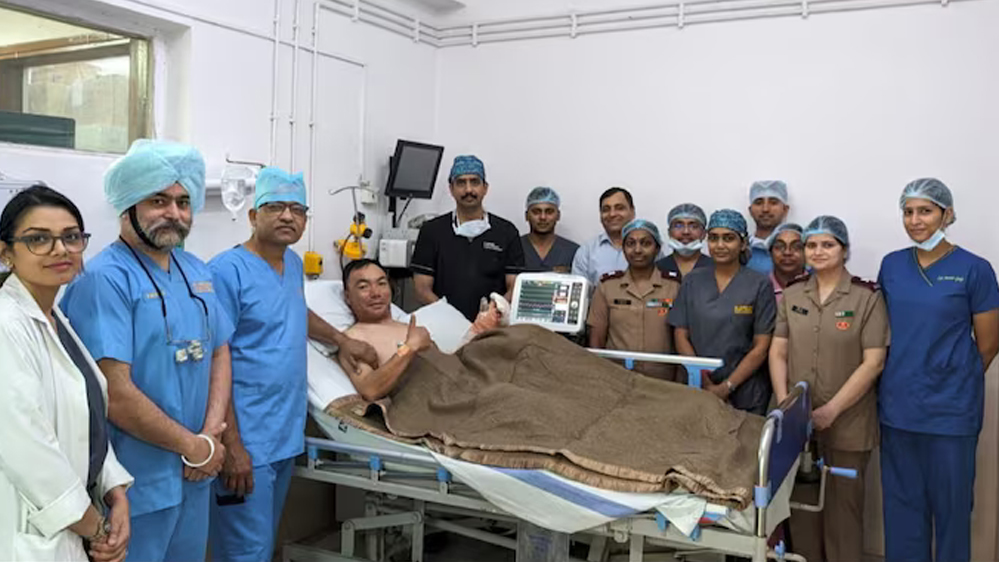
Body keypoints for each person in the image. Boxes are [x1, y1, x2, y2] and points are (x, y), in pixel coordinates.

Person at [60, 140, 235, 562]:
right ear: (128, 206)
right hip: (133, 485)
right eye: (158, 200)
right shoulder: (103, 280)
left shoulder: (196, 271)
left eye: (183, 202)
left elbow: (219, 351)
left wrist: (210, 436)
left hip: (195, 474)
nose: (174, 213)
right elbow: (114, 393)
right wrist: (192, 446)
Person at [206, 168, 376, 562]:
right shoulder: (225, 272)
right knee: (244, 551)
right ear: (253, 216)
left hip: (284, 433)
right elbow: (215, 360)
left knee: (261, 545)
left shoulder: (294, 265)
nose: (288, 216)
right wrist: (231, 445)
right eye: (276, 207)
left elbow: (296, 311)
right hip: (246, 437)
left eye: (297, 209)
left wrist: (342, 340)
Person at [0, 186, 133, 562]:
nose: (60, 249)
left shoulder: (54, 317)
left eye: (71, 237)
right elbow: (28, 450)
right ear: (6, 252)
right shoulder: (6, 325)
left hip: (79, 520)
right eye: (38, 239)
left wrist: (115, 491)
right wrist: (98, 529)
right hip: (30, 530)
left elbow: (86, 420)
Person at [877, 178, 999, 562]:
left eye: (925, 211)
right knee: (902, 510)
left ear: (947, 214)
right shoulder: (892, 265)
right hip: (898, 407)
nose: (915, 220)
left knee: (951, 511)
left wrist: (953, 379)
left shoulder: (975, 269)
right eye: (908, 212)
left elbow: (989, 344)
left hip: (951, 413)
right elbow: (885, 331)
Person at [769, 216, 889, 562]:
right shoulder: (793, 294)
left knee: (843, 513)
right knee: (801, 509)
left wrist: (832, 410)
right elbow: (778, 352)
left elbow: (874, 362)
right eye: (811, 245)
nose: (818, 251)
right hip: (798, 422)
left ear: (844, 250)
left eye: (828, 244)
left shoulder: (866, 298)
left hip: (848, 422)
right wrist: (786, 406)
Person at [336, 259, 502, 401]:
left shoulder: (412, 329)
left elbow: (447, 365)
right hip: (435, 402)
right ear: (348, 297)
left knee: (515, 338)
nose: (376, 293)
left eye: (381, 283)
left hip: (466, 386)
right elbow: (369, 389)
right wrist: (409, 348)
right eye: (363, 287)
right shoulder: (353, 341)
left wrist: (477, 333)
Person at [669, 209, 776, 414]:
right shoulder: (692, 281)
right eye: (714, 238)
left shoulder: (759, 284)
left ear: (743, 243)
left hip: (745, 391)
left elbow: (761, 346)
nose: (720, 245)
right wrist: (703, 381)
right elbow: (680, 335)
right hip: (698, 386)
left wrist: (727, 387)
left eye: (728, 238)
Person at [412, 155, 524, 322]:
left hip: (493, 325)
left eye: (474, 182)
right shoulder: (432, 231)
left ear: (485, 188)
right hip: (443, 324)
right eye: (461, 183)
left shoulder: (506, 232)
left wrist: (491, 315)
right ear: (451, 189)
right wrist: (451, 318)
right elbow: (422, 290)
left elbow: (515, 288)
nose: (468, 190)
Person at [587, 219, 682, 381]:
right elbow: (596, 339)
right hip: (616, 377)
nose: (637, 250)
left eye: (646, 243)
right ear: (623, 248)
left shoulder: (674, 286)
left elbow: (681, 338)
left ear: (657, 248)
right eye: (631, 244)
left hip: (663, 381)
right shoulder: (607, 286)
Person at [571, 187, 637, 288]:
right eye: (606, 210)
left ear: (632, 212)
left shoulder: (651, 248)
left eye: (619, 208)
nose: (612, 214)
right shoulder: (587, 251)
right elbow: (579, 292)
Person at [520, 187, 579, 273]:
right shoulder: (514, 248)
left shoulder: (573, 252)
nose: (543, 217)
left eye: (549, 212)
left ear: (558, 215)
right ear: (526, 216)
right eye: (536, 212)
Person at [656, 203, 712, 278]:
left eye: (694, 226)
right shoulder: (656, 268)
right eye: (678, 226)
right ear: (669, 233)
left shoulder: (715, 267)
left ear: (704, 234)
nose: (686, 232)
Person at [746, 180, 790, 273]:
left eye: (773, 202)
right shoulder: (741, 250)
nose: (765, 209)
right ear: (750, 210)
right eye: (758, 203)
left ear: (785, 209)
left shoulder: (796, 251)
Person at [768, 223, 806, 301]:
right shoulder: (759, 288)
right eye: (779, 247)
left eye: (796, 247)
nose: (787, 252)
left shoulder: (819, 287)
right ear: (770, 252)